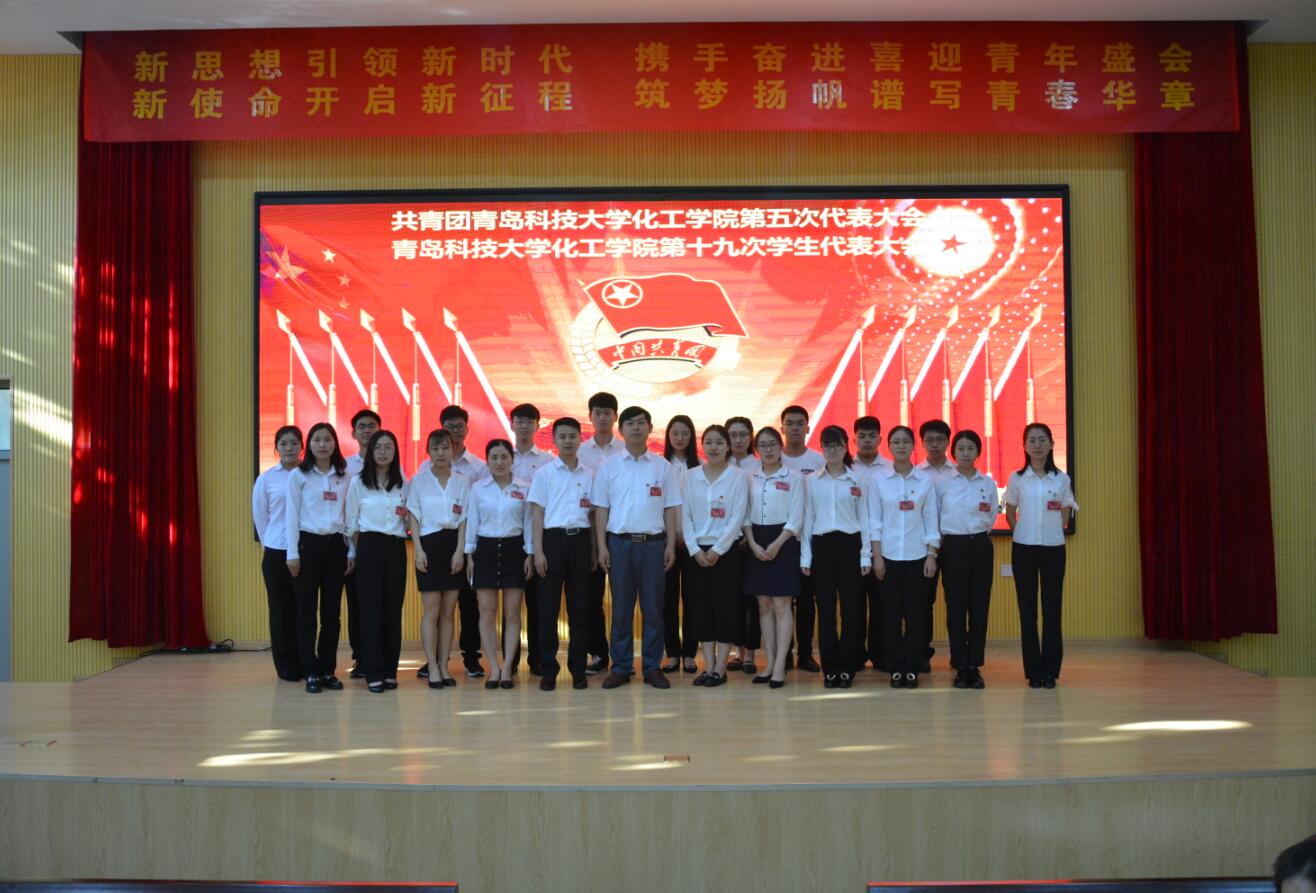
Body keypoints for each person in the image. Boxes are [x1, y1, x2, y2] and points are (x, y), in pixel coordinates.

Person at [592, 405, 681, 690]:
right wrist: (602, 547)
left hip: (653, 546)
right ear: (621, 430)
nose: (636, 428)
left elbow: (670, 508)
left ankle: (653, 667)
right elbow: (601, 509)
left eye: (641, 423)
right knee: (621, 610)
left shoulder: (662, 467)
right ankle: (620, 667)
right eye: (630, 423)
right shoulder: (609, 466)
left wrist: (670, 545)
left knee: (654, 609)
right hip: (620, 545)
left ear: (650, 428)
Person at [1004, 422, 1076, 689]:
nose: (1037, 445)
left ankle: (1050, 671)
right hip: (1024, 549)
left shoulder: (1062, 479)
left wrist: (1050, 528)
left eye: (1042, 440)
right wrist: (1022, 531)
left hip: (1053, 548)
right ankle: (1033, 671)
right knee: (1027, 611)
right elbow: (1010, 513)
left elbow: (1066, 514)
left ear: (1051, 444)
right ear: (1024, 446)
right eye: (1032, 440)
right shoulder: (1017, 478)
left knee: (1052, 609)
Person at [800, 425, 872, 689]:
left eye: (837, 445)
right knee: (826, 611)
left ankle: (848, 666)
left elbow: (865, 519)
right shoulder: (811, 481)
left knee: (852, 610)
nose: (832, 450)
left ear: (845, 447)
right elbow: (807, 519)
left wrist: (866, 556)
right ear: (821, 449)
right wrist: (806, 557)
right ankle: (831, 668)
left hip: (851, 546)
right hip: (822, 546)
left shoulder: (858, 480)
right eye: (827, 445)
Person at [870, 425, 940, 689]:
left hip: (918, 557)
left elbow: (931, 521)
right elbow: (874, 521)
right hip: (887, 557)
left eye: (905, 442)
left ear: (913, 446)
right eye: (896, 442)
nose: (901, 446)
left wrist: (931, 555)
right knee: (890, 615)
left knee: (916, 615)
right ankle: (895, 666)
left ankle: (912, 666)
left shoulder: (925, 481)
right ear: (889, 446)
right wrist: (877, 556)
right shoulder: (879, 481)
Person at [529, 417, 596, 690]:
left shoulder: (590, 474)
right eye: (562, 436)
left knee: (580, 609)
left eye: (572, 436)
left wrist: (594, 549)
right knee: (548, 610)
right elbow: (537, 514)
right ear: (554, 440)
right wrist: (538, 552)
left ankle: (578, 670)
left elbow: (593, 515)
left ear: (580, 438)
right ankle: (549, 670)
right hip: (552, 542)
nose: (568, 441)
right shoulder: (544, 474)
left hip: (581, 542)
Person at [284, 422, 352, 694]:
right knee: (305, 614)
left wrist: (351, 550)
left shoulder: (345, 476)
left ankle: (327, 670)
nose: (322, 445)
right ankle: (309, 670)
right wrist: (292, 553)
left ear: (335, 443)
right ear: (309, 445)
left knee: (332, 614)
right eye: (317, 440)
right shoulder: (298, 475)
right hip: (307, 546)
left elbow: (350, 515)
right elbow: (291, 515)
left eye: (327, 440)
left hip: (336, 547)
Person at [680, 424, 748, 687]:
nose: (714, 447)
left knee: (725, 607)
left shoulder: (738, 477)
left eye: (719, 442)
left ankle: (721, 667)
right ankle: (708, 666)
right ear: (702, 445)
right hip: (696, 553)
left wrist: (719, 549)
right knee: (700, 608)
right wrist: (695, 549)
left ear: (727, 446)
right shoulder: (690, 476)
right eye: (709, 442)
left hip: (726, 553)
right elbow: (684, 514)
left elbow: (737, 516)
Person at [464, 438, 534, 689]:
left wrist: (530, 553)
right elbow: (472, 521)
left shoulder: (525, 487)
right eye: (494, 457)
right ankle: (493, 667)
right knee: (487, 612)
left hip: (515, 549)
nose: (499, 462)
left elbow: (529, 522)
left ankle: (507, 668)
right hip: (485, 550)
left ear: (512, 460)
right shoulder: (478, 488)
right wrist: (469, 554)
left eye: (504, 457)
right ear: (487, 461)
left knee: (513, 612)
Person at [345, 430, 409, 693]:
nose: (383, 452)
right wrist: (358, 551)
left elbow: (410, 518)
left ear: (395, 452)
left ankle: (390, 671)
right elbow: (351, 522)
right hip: (368, 547)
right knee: (370, 611)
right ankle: (372, 671)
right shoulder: (358, 483)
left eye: (388, 447)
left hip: (396, 548)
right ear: (370, 452)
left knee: (392, 611)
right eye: (378, 447)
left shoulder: (404, 483)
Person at [406, 428, 470, 689]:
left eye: (445, 447)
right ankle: (431, 665)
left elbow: (464, 518)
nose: (441, 453)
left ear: (453, 449)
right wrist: (419, 550)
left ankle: (444, 664)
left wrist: (460, 550)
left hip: (453, 545)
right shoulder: (418, 481)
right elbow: (413, 516)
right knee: (431, 611)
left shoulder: (462, 482)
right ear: (428, 452)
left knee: (448, 612)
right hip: (429, 546)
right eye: (435, 448)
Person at [936, 430, 998, 689]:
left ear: (978, 452)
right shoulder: (943, 483)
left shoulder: (988, 483)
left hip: (980, 546)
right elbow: (936, 517)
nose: (965, 453)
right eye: (960, 448)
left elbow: (991, 516)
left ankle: (974, 665)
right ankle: (960, 665)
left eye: (970, 448)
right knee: (956, 608)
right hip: (953, 547)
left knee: (979, 607)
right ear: (953, 452)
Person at [430, 404, 489, 682]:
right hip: (436, 543)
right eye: (449, 426)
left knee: (469, 603)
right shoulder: (426, 467)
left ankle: (471, 657)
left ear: (467, 429)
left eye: (459, 426)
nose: (454, 431)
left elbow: (482, 506)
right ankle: (435, 660)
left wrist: (471, 548)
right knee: (437, 605)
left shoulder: (478, 467)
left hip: (469, 542)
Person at [743, 426, 804, 688]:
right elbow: (744, 513)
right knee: (764, 606)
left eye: (772, 444)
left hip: (785, 541)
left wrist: (778, 543)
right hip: (756, 540)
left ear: (780, 447)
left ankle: (780, 665)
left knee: (781, 605)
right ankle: (768, 663)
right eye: (763, 445)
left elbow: (797, 516)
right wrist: (753, 544)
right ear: (757, 449)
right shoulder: (749, 477)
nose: (768, 450)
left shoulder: (794, 477)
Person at [252, 424, 303, 682]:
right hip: (276, 551)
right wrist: (271, 544)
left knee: (303, 610)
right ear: (276, 448)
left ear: (302, 447)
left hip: (305, 551)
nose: (289, 448)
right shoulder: (267, 478)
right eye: (283, 444)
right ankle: (285, 665)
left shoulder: (309, 474)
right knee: (281, 610)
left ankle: (305, 661)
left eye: (294, 443)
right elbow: (260, 516)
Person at [577, 392, 623, 674]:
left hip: (621, 531)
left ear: (615, 416)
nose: (603, 417)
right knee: (591, 598)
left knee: (623, 599)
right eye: (598, 412)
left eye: (608, 412)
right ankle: (598, 654)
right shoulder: (580, 452)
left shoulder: (626, 450)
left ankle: (622, 658)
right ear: (590, 416)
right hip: (587, 533)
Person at [509, 403, 554, 677]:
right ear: (512, 424)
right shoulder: (502, 456)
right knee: (511, 604)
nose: (524, 426)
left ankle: (537, 658)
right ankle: (511, 660)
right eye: (520, 421)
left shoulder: (548, 462)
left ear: (538, 426)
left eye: (529, 421)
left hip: (539, 538)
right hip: (510, 537)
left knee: (539, 602)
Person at [779, 405, 825, 674]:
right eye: (790, 423)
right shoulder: (774, 459)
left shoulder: (818, 460)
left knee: (807, 601)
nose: (795, 428)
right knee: (781, 600)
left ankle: (805, 653)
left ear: (808, 428)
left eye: (799, 423)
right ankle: (783, 653)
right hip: (780, 540)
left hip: (810, 539)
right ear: (782, 428)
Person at [852, 415, 892, 672]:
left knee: (881, 604)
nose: (867, 441)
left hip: (882, 546)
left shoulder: (890, 468)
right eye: (862, 436)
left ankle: (880, 655)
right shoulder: (844, 467)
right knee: (854, 604)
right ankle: (855, 656)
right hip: (851, 545)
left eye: (872, 436)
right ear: (853, 439)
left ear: (880, 439)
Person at [915, 419, 955, 673]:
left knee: (956, 601)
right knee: (923, 602)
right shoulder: (916, 473)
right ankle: (922, 652)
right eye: (929, 440)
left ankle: (958, 654)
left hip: (953, 544)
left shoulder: (958, 472)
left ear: (948, 442)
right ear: (922, 443)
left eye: (940, 440)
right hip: (923, 547)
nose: (934, 444)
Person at [661, 414, 701, 674]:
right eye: (675, 433)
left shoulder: (700, 468)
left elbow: (702, 507)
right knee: (667, 599)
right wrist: (669, 536)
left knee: (692, 599)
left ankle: (689, 654)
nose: (680, 438)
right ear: (668, 436)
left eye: (685, 433)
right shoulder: (659, 466)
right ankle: (672, 654)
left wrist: (689, 536)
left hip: (693, 543)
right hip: (664, 542)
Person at [343, 409, 381, 679]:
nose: (367, 430)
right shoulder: (345, 468)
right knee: (356, 605)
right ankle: (360, 658)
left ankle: (380, 656)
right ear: (353, 433)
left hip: (382, 547)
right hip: (353, 548)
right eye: (362, 427)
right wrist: (352, 549)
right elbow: (346, 512)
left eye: (372, 426)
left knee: (381, 604)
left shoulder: (392, 466)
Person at [725, 416, 761, 674]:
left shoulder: (759, 466)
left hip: (754, 540)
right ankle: (737, 652)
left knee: (752, 601)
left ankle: (750, 654)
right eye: (733, 435)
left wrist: (750, 537)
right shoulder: (717, 465)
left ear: (751, 438)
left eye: (742, 435)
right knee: (732, 598)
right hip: (725, 541)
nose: (738, 440)